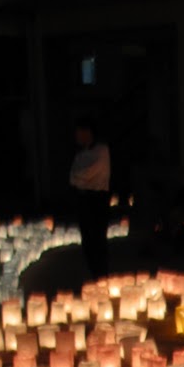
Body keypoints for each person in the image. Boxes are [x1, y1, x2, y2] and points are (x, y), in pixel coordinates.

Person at [70, 117, 111, 280]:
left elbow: (84, 174)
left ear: (87, 132)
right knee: (87, 239)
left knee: (98, 239)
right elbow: (73, 177)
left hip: (97, 199)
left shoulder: (101, 151)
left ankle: (102, 276)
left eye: (79, 132)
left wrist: (79, 177)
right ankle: (95, 276)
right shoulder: (80, 154)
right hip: (83, 200)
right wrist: (79, 178)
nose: (76, 136)